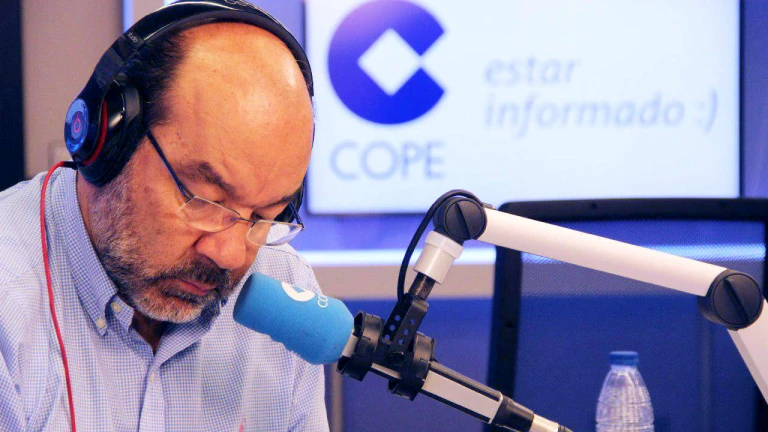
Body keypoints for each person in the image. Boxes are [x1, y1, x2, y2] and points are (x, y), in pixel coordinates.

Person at [0, 1, 328, 430]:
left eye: (266, 215)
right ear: (110, 141)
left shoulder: (284, 297)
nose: (231, 254)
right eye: (205, 199)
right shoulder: (9, 302)